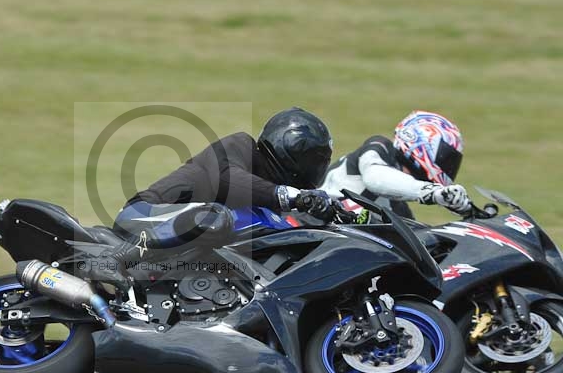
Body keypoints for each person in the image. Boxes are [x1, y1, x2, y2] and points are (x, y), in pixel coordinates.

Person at [86, 107, 336, 286]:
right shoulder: (241, 147)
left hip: (178, 251)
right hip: (146, 214)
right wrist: (295, 196)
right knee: (215, 216)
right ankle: (110, 261)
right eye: (315, 159)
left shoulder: (272, 207)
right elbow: (228, 180)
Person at [320, 110, 471, 220]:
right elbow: (375, 179)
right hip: (313, 222)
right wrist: (432, 192)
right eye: (447, 158)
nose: (449, 167)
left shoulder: (399, 207)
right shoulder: (380, 147)